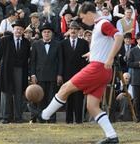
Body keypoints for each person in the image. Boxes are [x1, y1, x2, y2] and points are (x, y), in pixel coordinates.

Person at [28, 2, 123, 143]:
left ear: (89, 14)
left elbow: (119, 36)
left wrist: (110, 58)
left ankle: (44, 115)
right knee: (92, 107)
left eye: (83, 18)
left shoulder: (102, 23)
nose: (83, 22)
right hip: (102, 70)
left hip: (97, 68)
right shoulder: (99, 25)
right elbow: (107, 43)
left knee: (65, 88)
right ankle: (112, 136)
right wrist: (93, 53)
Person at [0, 20, 30, 124]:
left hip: (20, 70)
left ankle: (18, 117)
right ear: (13, 29)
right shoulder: (5, 40)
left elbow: (27, 57)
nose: (18, 31)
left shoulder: (26, 42)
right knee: (5, 93)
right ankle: (4, 117)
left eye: (21, 29)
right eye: (17, 28)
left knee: (19, 93)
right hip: (6, 70)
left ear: (23, 31)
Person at [30, 23, 63, 123]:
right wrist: (33, 74)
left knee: (52, 98)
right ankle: (41, 118)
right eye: (44, 32)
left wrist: (59, 74)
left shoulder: (58, 44)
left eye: (48, 32)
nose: (46, 33)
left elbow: (60, 61)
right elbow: (33, 61)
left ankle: (52, 119)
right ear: (41, 34)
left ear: (52, 33)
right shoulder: (36, 44)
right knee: (40, 98)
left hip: (53, 75)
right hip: (40, 76)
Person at [127, 31, 140, 122]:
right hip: (136, 79)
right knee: (136, 100)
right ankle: (136, 117)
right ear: (137, 40)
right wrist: (138, 63)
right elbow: (129, 63)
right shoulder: (132, 50)